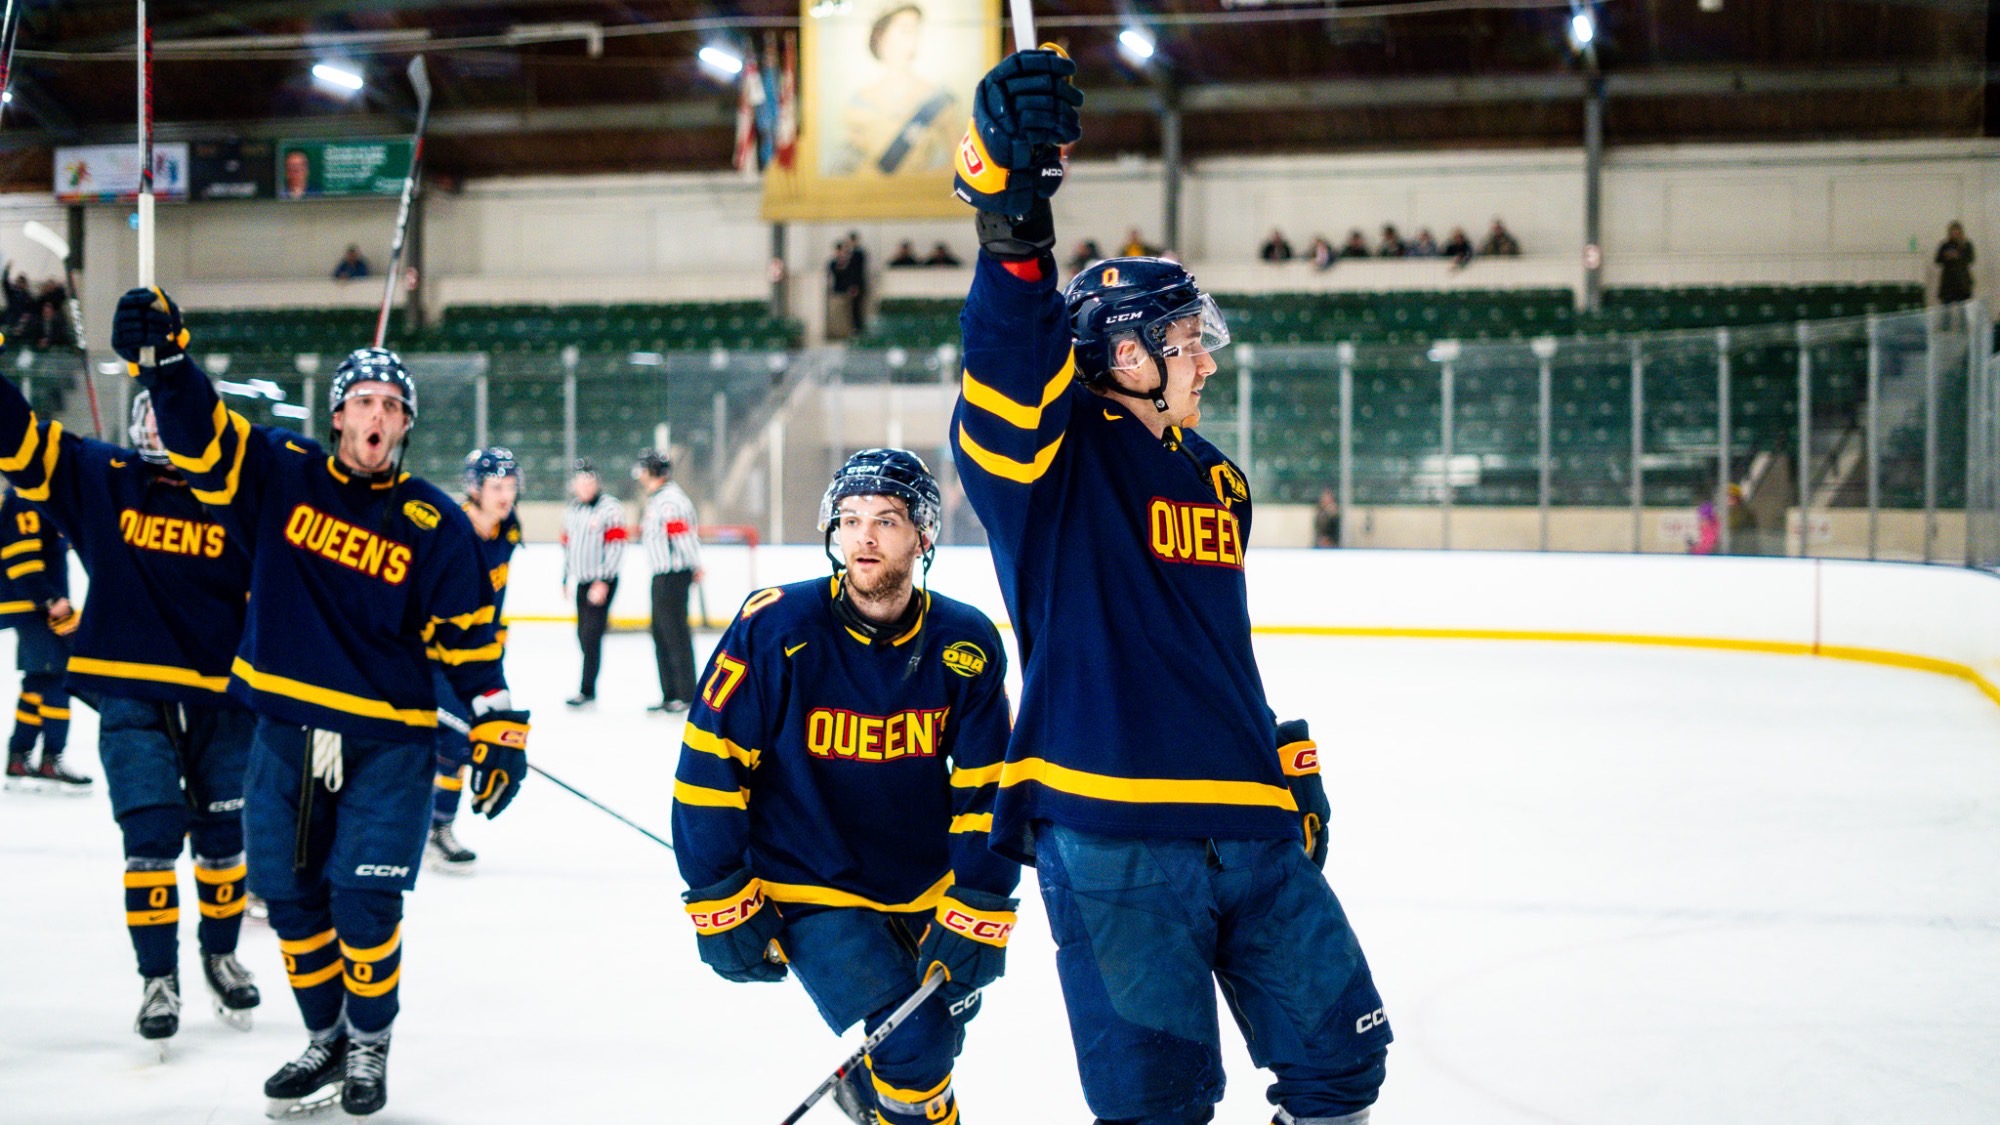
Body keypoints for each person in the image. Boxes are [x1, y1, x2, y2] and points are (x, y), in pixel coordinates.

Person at [949, 49, 1390, 1124]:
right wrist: (1012, 210)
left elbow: (1206, 643)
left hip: (1243, 811)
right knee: (1157, 1104)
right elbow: (1010, 352)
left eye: (1200, 340)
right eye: (1183, 342)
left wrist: (1271, 745)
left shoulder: (1216, 477)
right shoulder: (1051, 463)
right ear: (1122, 355)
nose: (1203, 362)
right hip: (1110, 826)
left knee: (1342, 1062)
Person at [115, 289, 530, 1119]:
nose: (377, 416)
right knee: (293, 898)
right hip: (283, 732)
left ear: (404, 425)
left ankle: (370, 1042)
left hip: (390, 743)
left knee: (364, 899)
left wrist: (499, 721)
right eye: (364, 401)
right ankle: (327, 1036)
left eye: (392, 405)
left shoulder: (434, 524)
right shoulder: (281, 472)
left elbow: (471, 647)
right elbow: (202, 434)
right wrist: (168, 364)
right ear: (339, 414)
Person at [671, 449, 1017, 1125]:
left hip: (925, 884)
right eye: (850, 518)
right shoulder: (774, 625)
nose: (863, 535)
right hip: (809, 880)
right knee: (915, 1040)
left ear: (922, 536)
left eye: (886, 520)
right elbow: (710, 762)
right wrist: (718, 892)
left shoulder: (964, 641)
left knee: (936, 1038)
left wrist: (979, 896)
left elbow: (989, 789)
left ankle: (877, 1090)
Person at [0, 359, 263, 1047]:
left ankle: (220, 952)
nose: (160, 425)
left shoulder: (242, 494)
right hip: (130, 691)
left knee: (222, 839)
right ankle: (158, 976)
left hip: (221, 699)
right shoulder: (103, 478)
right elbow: (19, 441)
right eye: (151, 412)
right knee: (148, 839)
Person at [427, 447, 525, 874]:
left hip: (482, 653)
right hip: (437, 654)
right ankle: (434, 827)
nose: (506, 495)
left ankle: (435, 824)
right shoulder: (449, 531)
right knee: (457, 738)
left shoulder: (509, 529)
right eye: (496, 487)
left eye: (511, 486)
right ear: (474, 489)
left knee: (489, 736)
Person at [0, 478, 87, 794]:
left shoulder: (36, 497)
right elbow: (21, 558)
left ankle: (18, 756)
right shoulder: (25, 499)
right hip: (37, 606)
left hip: (35, 605)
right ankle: (52, 757)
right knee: (57, 678)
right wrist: (50, 600)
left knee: (38, 680)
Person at [832, 1, 960, 178]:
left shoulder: (938, 99)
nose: (913, 37)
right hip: (870, 199)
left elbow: (959, 163)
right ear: (881, 35)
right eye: (905, 30)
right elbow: (845, 169)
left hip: (923, 199)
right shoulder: (860, 101)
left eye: (916, 30)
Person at [633, 449, 701, 714]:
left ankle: (685, 694)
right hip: (663, 575)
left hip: (673, 575)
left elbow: (682, 537)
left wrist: (694, 564)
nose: (639, 475)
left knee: (675, 634)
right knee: (662, 632)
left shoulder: (669, 501)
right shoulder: (660, 499)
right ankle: (671, 693)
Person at [561, 458, 626, 708]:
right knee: (582, 634)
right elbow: (568, 547)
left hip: (601, 581)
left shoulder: (610, 509)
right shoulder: (573, 511)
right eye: (580, 481)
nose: (585, 486)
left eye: (589, 481)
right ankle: (587, 687)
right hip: (582, 580)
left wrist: (604, 581)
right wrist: (565, 577)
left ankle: (587, 690)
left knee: (591, 635)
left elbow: (616, 547)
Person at [1937, 221, 1976, 305]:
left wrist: (1958, 255)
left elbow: (1971, 259)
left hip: (1962, 283)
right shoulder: (1945, 245)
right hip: (1948, 283)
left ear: (1960, 232)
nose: (1955, 234)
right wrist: (1946, 256)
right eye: (1953, 231)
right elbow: (1937, 260)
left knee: (1964, 312)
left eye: (1956, 231)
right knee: (1946, 313)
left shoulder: (1966, 245)